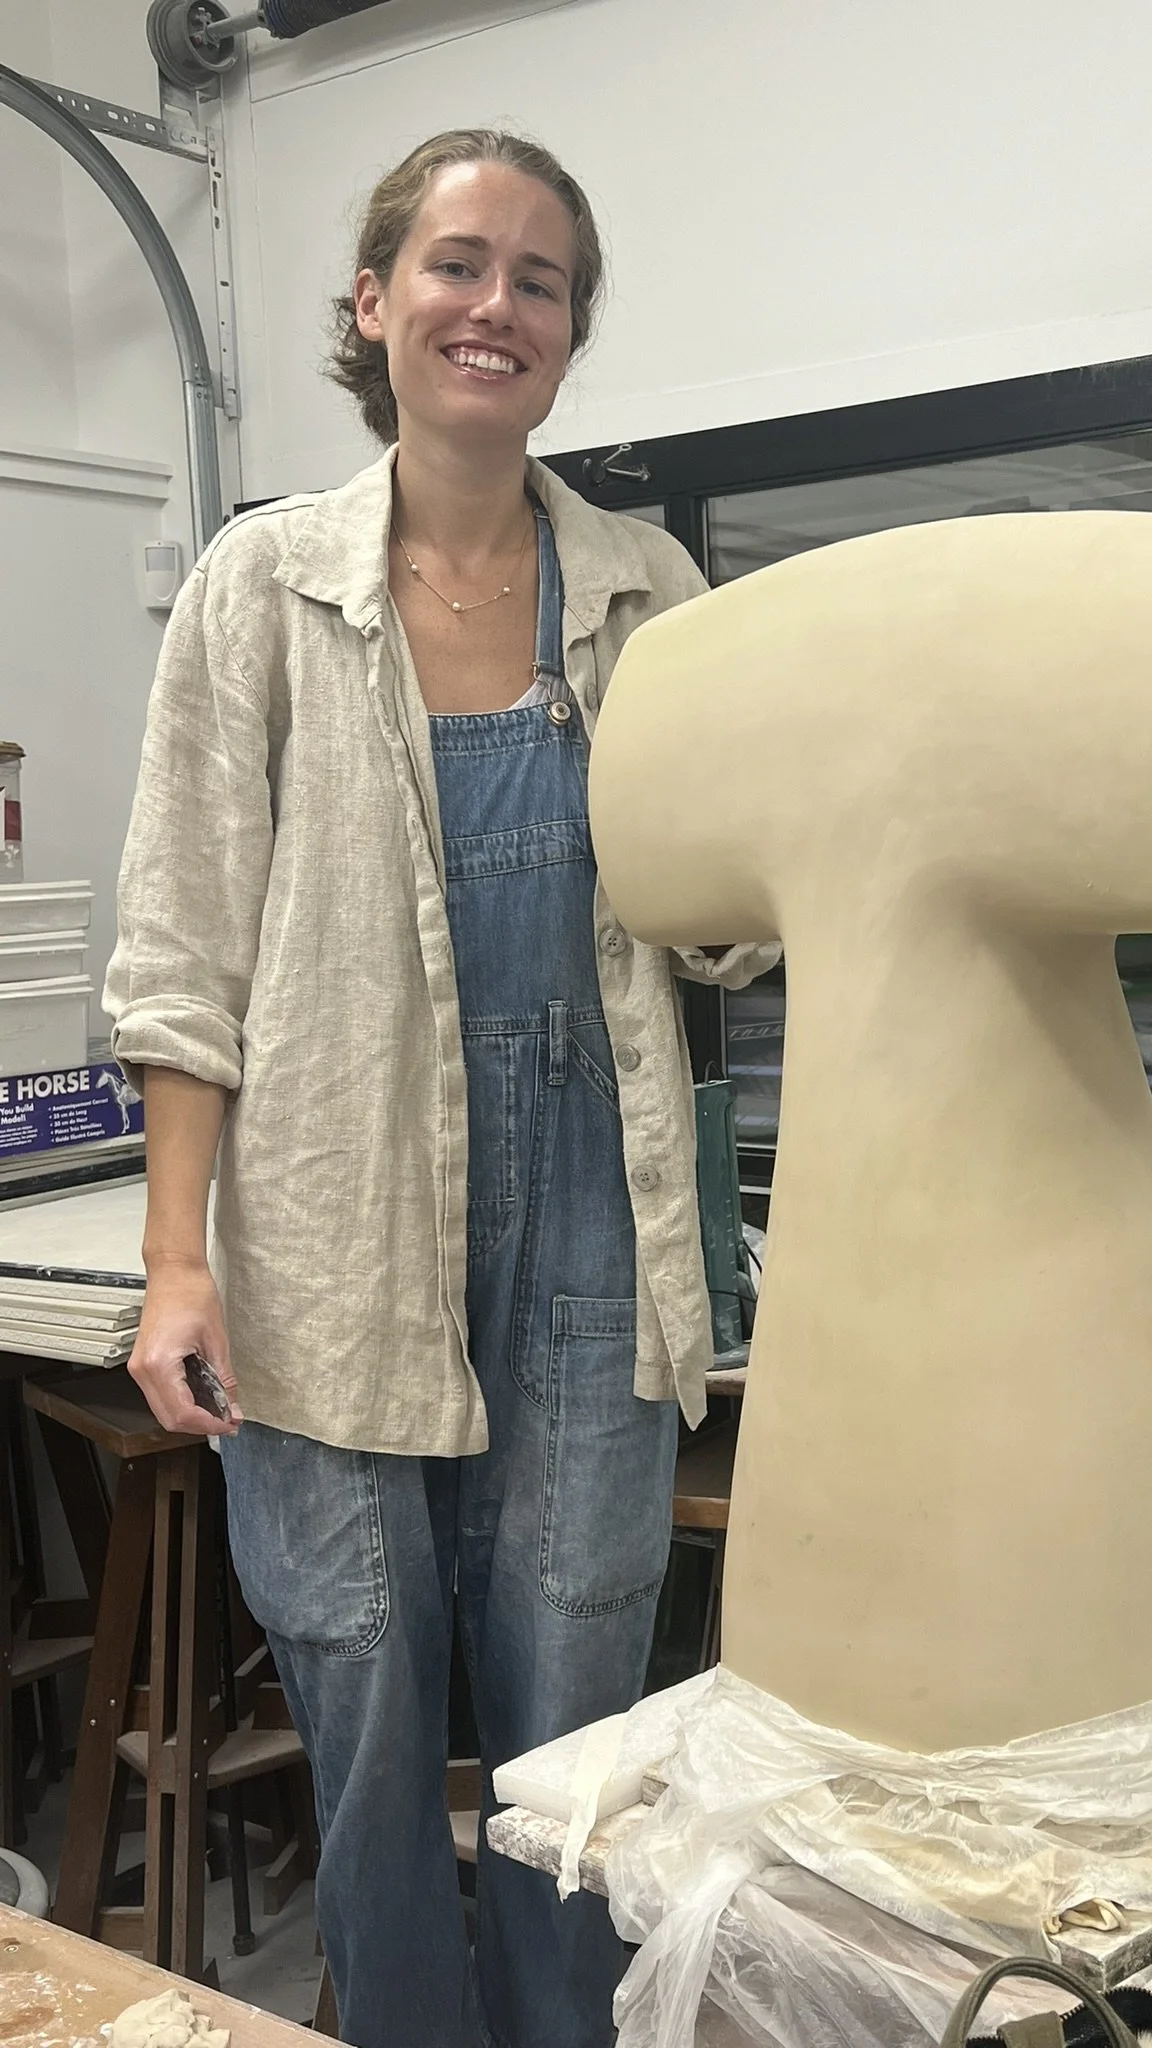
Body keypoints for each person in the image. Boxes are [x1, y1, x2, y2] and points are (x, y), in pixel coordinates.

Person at [105, 128, 778, 2048]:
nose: (499, 307)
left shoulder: (650, 591)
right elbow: (181, 955)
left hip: (595, 1204)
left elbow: (715, 931)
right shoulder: (262, 590)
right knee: (368, 1679)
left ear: (571, 333)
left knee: (578, 1704)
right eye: (461, 264)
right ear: (373, 299)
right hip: (331, 1211)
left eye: (541, 281)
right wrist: (177, 1262)